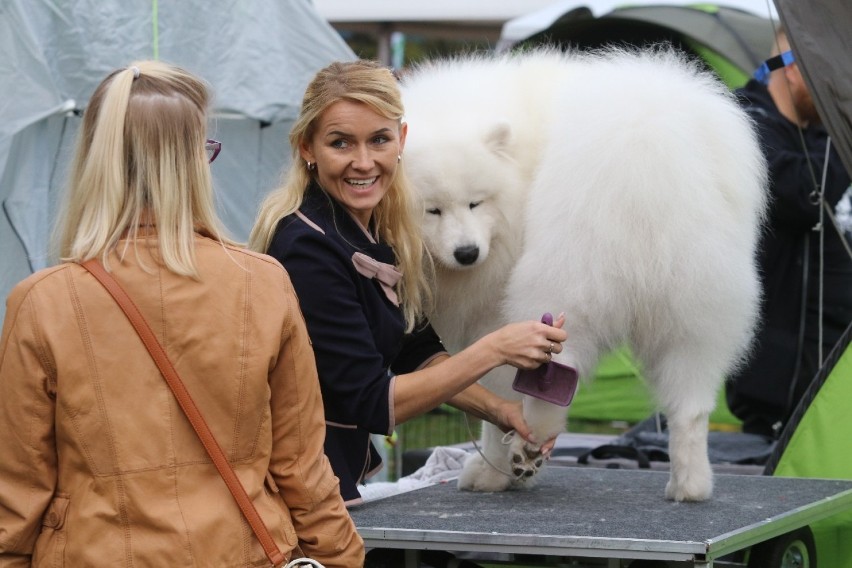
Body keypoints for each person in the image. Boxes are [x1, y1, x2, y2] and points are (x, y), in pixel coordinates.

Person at [0, 61, 363, 567]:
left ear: (93, 162)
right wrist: (342, 558)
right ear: (193, 163)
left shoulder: (41, 302)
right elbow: (302, 467)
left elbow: (17, 491)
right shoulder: (263, 282)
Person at [249, 59, 567, 507]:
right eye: (341, 143)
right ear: (307, 147)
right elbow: (373, 402)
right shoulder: (307, 248)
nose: (364, 162)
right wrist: (495, 349)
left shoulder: (370, 230)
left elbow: (414, 350)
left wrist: (502, 412)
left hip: (326, 485)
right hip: (291, 497)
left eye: (378, 140)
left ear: (401, 140)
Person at [726, 28, 852, 438]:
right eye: (831, 77)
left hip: (835, 352)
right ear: (797, 72)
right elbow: (803, 192)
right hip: (779, 378)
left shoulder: (820, 132)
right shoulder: (741, 124)